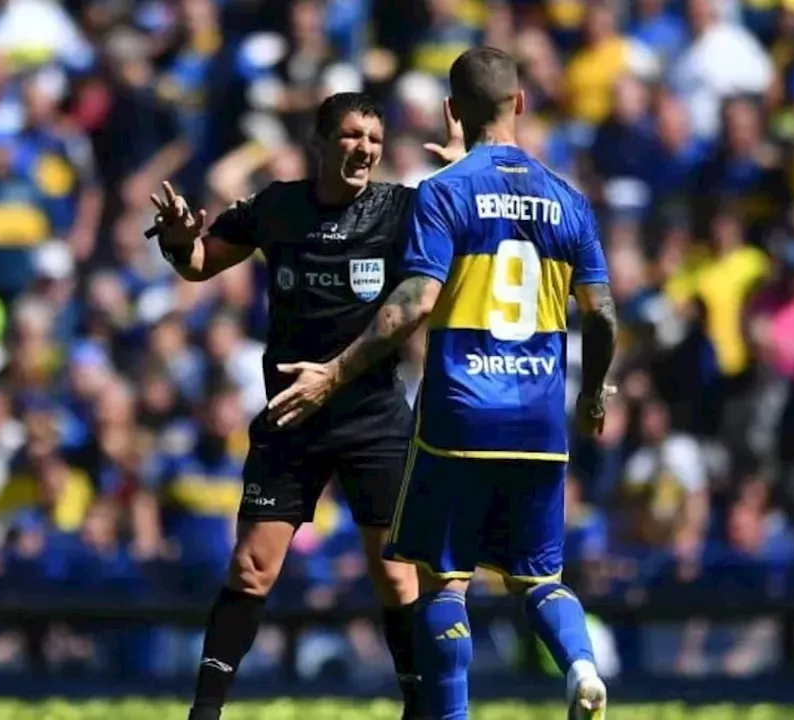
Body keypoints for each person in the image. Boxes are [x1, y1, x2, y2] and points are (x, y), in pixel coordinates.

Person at [267, 48, 618, 720]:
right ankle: (579, 667)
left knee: (446, 581)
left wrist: (337, 372)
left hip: (460, 411)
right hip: (540, 416)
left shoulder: (445, 192)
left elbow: (416, 303)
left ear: (453, 111)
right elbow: (601, 314)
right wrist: (593, 391)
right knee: (539, 576)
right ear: (518, 104)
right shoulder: (569, 199)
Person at [148, 91, 463, 720]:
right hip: (292, 416)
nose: (364, 150)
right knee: (250, 568)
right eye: (350, 136)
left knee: (397, 579)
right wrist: (181, 243)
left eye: (373, 140)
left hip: (373, 418)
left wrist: (460, 166)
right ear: (319, 144)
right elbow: (200, 263)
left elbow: (471, 216)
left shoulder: (400, 209)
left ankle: (419, 711)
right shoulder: (279, 207)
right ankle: (203, 713)